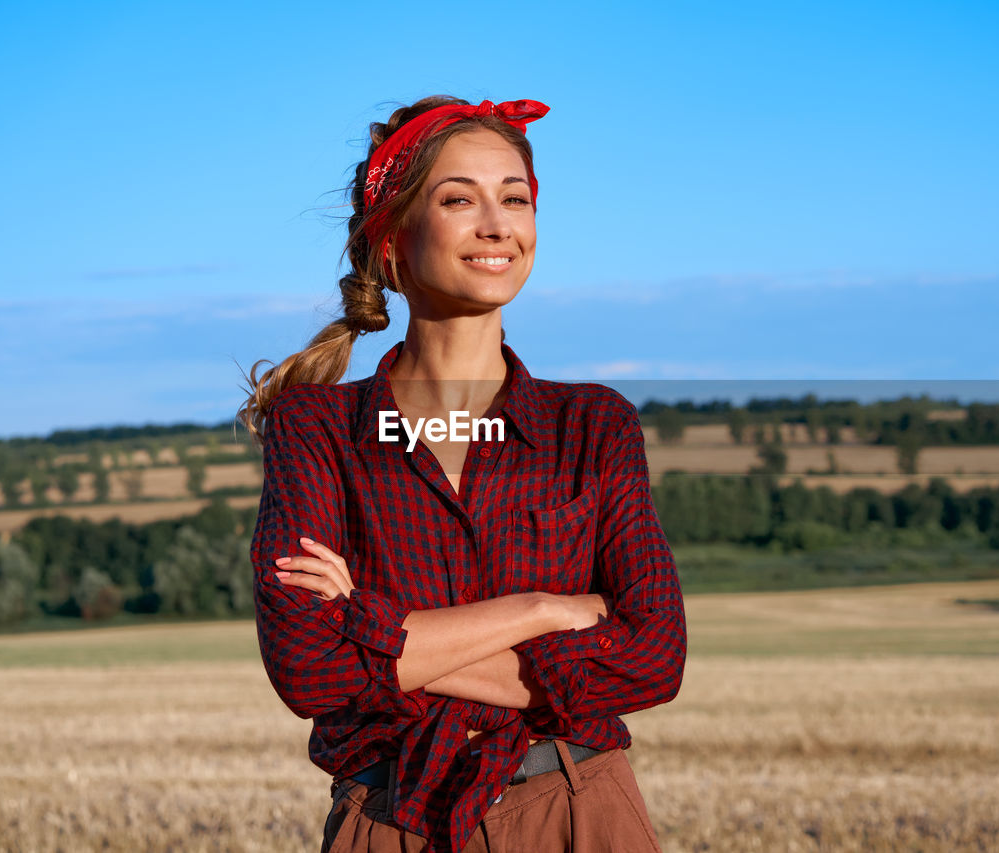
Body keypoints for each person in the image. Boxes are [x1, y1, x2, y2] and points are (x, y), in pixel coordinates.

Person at [239, 96, 687, 853]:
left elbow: (652, 659)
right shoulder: (315, 427)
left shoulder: (594, 424)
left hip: (582, 810)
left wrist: (372, 627)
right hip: (393, 821)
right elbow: (310, 670)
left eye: (515, 198)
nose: (497, 224)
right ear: (391, 245)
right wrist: (546, 608)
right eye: (458, 199)